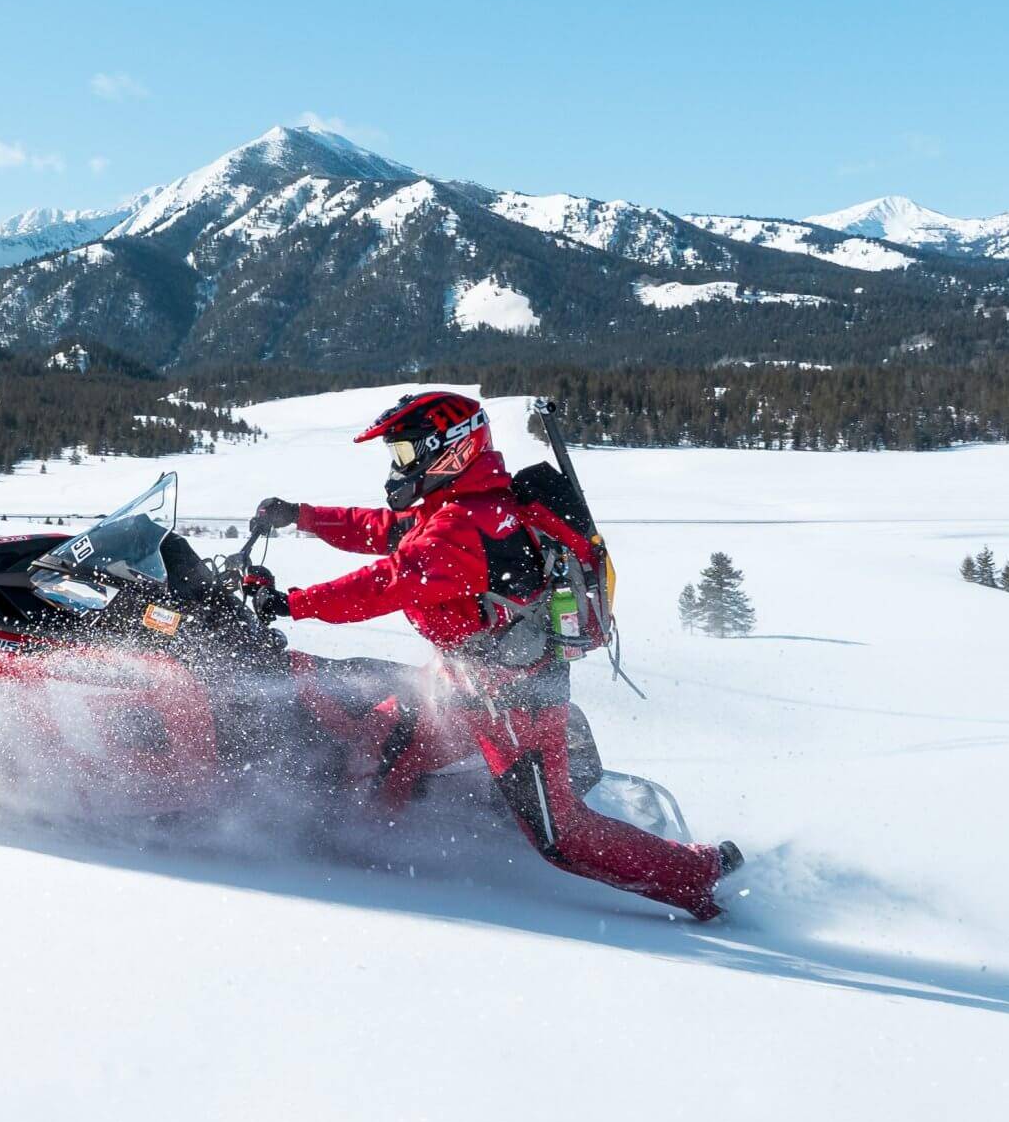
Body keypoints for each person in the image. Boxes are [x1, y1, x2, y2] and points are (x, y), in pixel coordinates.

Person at [245, 390, 742, 921]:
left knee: (561, 835)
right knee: (387, 743)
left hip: (510, 702)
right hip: (465, 683)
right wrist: (302, 516)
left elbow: (383, 584)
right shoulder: (470, 507)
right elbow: (386, 532)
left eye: (407, 456)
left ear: (451, 451)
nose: (398, 469)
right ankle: (366, 857)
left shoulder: (462, 528)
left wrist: (289, 603)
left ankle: (698, 873)